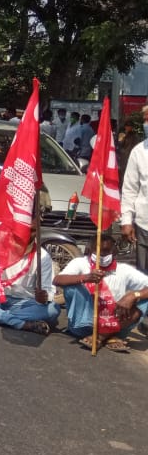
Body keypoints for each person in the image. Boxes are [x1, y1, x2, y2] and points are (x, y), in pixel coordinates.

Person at [54, 235, 148, 352]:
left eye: (106, 251)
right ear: (89, 250)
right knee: (72, 287)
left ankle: (100, 336)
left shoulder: (124, 270)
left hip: (116, 323)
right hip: (85, 324)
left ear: (114, 252)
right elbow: (57, 280)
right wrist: (86, 277)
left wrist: (133, 295)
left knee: (145, 300)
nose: (102, 255)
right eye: (98, 251)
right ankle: (109, 337)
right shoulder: (80, 263)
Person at [121, 105, 148, 271]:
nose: (146, 123)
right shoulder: (139, 152)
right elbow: (129, 189)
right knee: (144, 279)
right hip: (144, 226)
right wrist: (126, 221)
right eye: (145, 120)